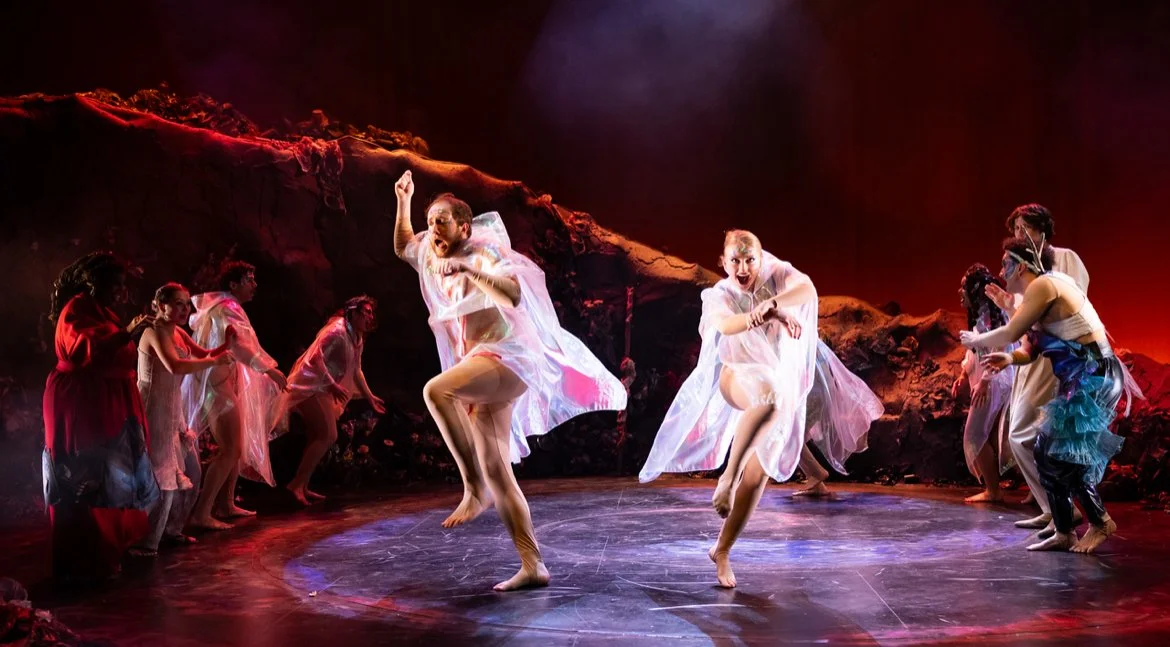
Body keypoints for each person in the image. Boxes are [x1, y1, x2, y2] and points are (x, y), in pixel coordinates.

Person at [391, 170, 627, 591]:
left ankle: (472, 485)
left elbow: (513, 294)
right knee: (501, 471)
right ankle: (532, 563)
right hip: (486, 365)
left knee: (436, 389)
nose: (434, 230)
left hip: (509, 356)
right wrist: (404, 201)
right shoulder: (432, 250)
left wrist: (466, 266)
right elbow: (404, 245)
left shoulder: (483, 252)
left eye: (441, 221)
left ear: (464, 226)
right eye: (432, 222)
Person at [639, 230, 818, 587]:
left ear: (761, 257)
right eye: (734, 260)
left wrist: (777, 305)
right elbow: (726, 324)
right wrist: (761, 314)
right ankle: (727, 479)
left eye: (749, 259)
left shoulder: (776, 272)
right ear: (723, 262)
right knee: (768, 397)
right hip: (737, 377)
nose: (743, 267)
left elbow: (809, 289)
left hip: (774, 383)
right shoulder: (719, 294)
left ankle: (721, 550)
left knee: (760, 475)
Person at [962, 236, 1140, 553]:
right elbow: (1029, 347)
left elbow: (1011, 333)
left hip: (1094, 375)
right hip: (1078, 380)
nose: (1001, 272)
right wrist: (1009, 358)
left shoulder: (1045, 285)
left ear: (1023, 265)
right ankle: (1064, 530)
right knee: (1045, 449)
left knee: (1064, 454)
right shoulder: (1038, 299)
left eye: (1005, 263)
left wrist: (978, 338)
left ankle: (1100, 522)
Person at [42, 251, 159, 582]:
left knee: (109, 472)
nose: (120, 292)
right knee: (86, 473)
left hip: (105, 399)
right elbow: (86, 348)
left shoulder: (101, 310)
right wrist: (128, 331)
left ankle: (105, 553)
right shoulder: (76, 309)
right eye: (115, 284)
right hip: (82, 401)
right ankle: (86, 558)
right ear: (95, 282)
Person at [985, 204, 1089, 524]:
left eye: (1025, 228)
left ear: (1042, 228)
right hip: (1029, 356)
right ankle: (1053, 509)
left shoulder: (1064, 258)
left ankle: (1061, 509)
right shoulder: (1025, 267)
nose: (1019, 235)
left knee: (1023, 434)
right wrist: (1008, 304)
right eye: (1015, 230)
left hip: (1051, 355)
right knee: (1023, 435)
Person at [131, 283, 233, 556]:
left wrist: (227, 345)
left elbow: (204, 354)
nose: (184, 309)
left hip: (173, 407)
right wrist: (215, 362)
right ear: (160, 305)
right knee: (163, 473)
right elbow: (175, 365)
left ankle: (171, 529)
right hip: (154, 408)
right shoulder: (153, 332)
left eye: (187, 304)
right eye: (178, 303)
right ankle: (146, 541)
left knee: (192, 470)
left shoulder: (177, 333)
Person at [185, 261, 287, 530]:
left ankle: (225, 504)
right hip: (214, 386)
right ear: (233, 284)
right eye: (249, 280)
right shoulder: (227, 308)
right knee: (230, 448)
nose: (254, 285)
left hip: (220, 382)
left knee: (236, 447)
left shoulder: (226, 307)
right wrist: (268, 370)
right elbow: (238, 346)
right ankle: (202, 512)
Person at [282, 296, 385, 505]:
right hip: (310, 386)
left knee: (317, 435)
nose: (370, 317)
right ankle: (295, 484)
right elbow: (315, 358)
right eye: (365, 312)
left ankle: (302, 485)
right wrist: (331, 384)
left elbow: (357, 370)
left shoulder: (357, 337)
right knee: (328, 434)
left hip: (323, 387)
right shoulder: (336, 332)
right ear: (353, 313)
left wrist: (369, 396)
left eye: (371, 313)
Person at [951, 265, 1014, 503]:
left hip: (995, 380)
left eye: (963, 287)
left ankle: (993, 491)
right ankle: (1032, 489)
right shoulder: (981, 315)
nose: (959, 292)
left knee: (974, 434)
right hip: (993, 379)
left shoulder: (992, 315)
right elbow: (976, 350)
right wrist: (964, 375)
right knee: (1004, 436)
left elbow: (1000, 347)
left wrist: (986, 381)